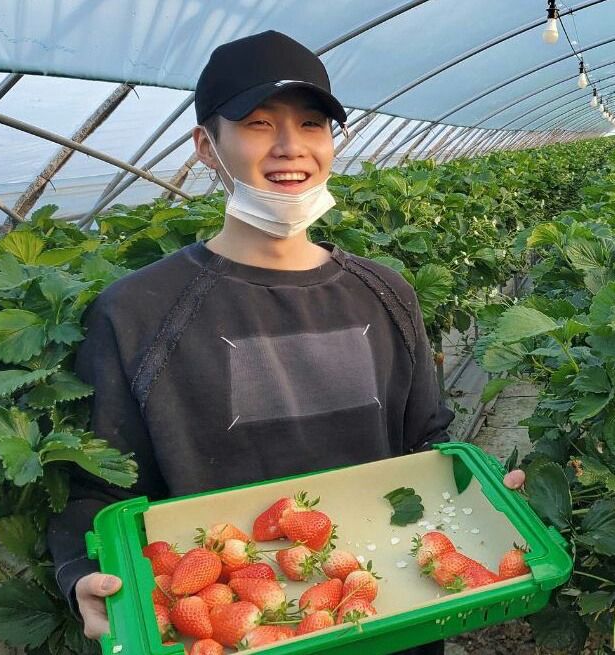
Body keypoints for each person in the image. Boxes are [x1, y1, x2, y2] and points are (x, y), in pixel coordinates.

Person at [47, 30, 525, 655]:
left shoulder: (383, 292)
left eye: (311, 123)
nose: (289, 147)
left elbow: (425, 442)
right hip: (236, 626)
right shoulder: (139, 312)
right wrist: (79, 574)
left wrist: (481, 495)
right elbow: (100, 488)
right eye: (256, 123)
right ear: (204, 147)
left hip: (388, 609)